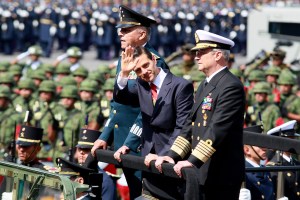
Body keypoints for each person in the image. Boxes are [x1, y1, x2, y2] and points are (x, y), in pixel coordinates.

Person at [155, 29, 246, 199]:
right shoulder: (205, 84)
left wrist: (191, 161)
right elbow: (190, 124)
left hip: (221, 172)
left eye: (201, 52)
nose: (196, 56)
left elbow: (217, 129)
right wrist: (172, 156)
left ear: (218, 55)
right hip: (202, 169)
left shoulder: (230, 86)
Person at [91, 5, 168, 199]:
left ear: (142, 34)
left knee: (143, 194)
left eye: (126, 30)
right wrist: (104, 136)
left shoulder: (154, 62)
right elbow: (117, 106)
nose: (120, 34)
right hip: (123, 143)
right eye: (120, 29)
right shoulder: (125, 58)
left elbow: (150, 111)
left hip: (141, 145)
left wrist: (129, 142)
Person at [114, 46, 194, 199]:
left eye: (146, 65)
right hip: (149, 161)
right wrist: (124, 74)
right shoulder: (141, 84)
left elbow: (182, 127)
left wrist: (165, 156)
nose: (144, 72)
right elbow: (121, 98)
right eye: (138, 70)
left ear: (153, 59)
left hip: (173, 160)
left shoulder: (180, 86)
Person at [75, 128, 116, 200]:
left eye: (86, 149)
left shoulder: (105, 181)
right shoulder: (71, 174)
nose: (81, 152)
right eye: (79, 149)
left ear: (95, 152)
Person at [267, 120, 300, 200]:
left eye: (294, 138)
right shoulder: (274, 166)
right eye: (290, 139)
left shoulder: (296, 163)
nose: (294, 141)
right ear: (280, 141)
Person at [240, 126, 276, 200]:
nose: (265, 148)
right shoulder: (243, 172)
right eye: (259, 145)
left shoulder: (264, 170)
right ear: (247, 150)